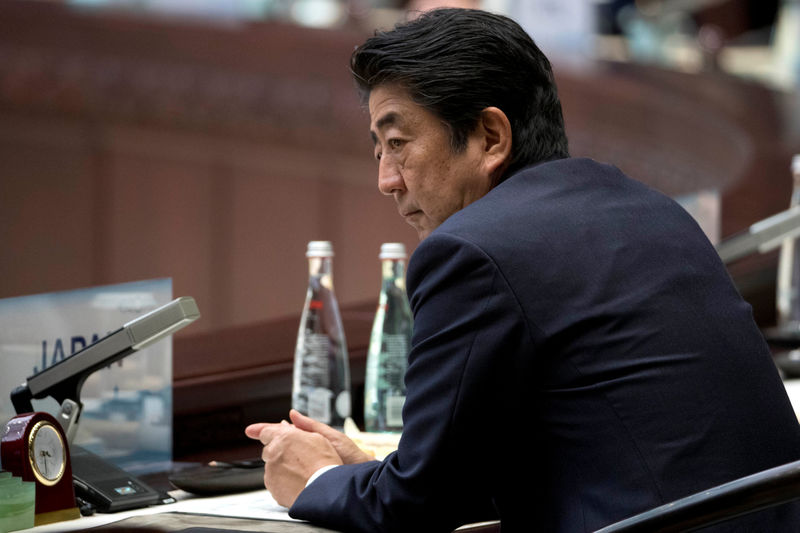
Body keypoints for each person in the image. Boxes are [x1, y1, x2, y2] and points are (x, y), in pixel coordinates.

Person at [245, 8, 800, 532]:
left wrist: (314, 479)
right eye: (378, 151)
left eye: (398, 143)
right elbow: (574, 450)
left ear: (490, 137)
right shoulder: (649, 209)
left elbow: (416, 505)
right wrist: (362, 468)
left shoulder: (473, 251)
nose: (387, 179)